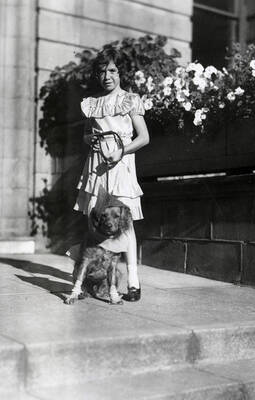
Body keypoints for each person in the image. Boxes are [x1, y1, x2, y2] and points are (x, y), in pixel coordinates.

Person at [73, 48, 149, 302]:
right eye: (102, 71)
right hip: (96, 166)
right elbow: (86, 134)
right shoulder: (93, 102)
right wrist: (92, 140)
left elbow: (144, 137)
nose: (107, 76)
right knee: (94, 218)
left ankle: (134, 281)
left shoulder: (130, 99)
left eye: (113, 70)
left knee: (123, 224)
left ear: (120, 73)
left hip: (120, 164)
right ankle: (95, 278)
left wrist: (121, 151)